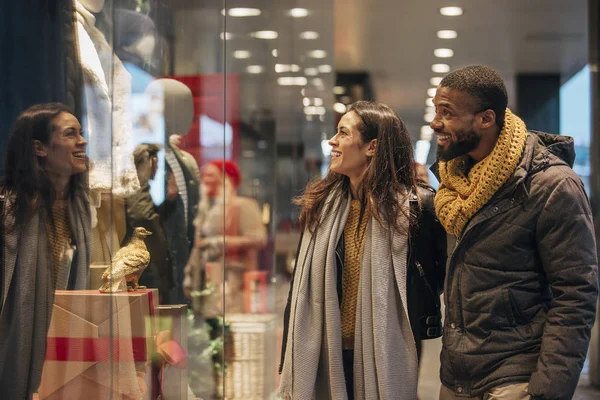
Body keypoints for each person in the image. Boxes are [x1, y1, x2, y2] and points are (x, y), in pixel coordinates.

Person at [431, 65, 598, 400]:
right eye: (437, 111)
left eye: (446, 113)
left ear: (486, 119)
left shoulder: (551, 185)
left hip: (514, 378)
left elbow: (576, 295)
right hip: (455, 376)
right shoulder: (454, 185)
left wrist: (545, 392)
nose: (436, 123)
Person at [278, 101, 446, 400]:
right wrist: (285, 358)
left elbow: (438, 280)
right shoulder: (321, 207)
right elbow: (297, 294)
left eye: (343, 133)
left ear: (371, 147)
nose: (332, 141)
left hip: (387, 351)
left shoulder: (415, 209)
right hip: (325, 352)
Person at [0, 103, 91, 399]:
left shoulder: (80, 210)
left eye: (81, 132)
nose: (82, 141)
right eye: (70, 134)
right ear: (40, 148)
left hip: (64, 344)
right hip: (15, 349)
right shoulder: (10, 212)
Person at [183, 160, 267, 315]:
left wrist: (218, 242)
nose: (205, 180)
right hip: (205, 278)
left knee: (228, 329)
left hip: (233, 281)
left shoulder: (242, 205)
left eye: (211, 175)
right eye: (204, 175)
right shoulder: (205, 209)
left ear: (226, 179)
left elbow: (258, 238)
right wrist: (189, 273)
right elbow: (198, 245)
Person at [123, 143, 173, 300]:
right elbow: (141, 214)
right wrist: (161, 249)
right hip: (143, 263)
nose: (158, 168)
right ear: (151, 161)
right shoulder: (138, 184)